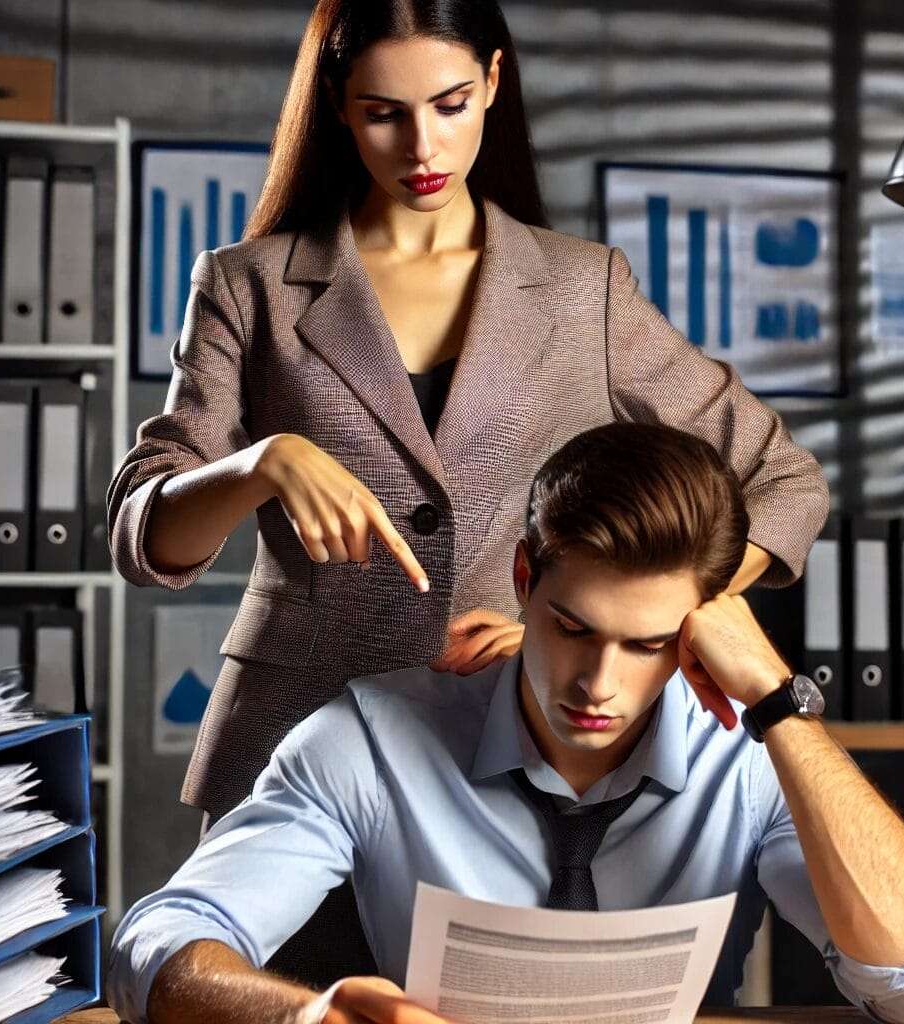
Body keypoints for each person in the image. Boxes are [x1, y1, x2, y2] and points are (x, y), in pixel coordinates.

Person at [107, 0, 828, 982]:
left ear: (494, 79)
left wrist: (676, 613)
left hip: (503, 764)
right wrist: (260, 463)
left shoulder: (585, 289)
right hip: (295, 756)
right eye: (382, 114)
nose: (422, 145)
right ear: (336, 106)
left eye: (449, 104)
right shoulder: (250, 284)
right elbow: (146, 535)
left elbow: (784, 482)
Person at [107, 423, 904, 1024]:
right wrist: (303, 1013)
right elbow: (160, 942)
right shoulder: (369, 741)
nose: (598, 683)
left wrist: (780, 703)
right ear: (525, 579)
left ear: (708, 624)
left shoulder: (746, 761)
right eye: (572, 628)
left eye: (648, 643)